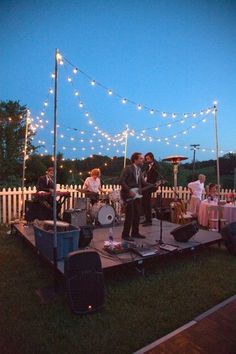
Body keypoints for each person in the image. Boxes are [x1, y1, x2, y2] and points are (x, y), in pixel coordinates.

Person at [119, 152, 149, 241]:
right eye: (140, 158)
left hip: (137, 194)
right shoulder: (128, 168)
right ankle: (125, 234)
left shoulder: (139, 170)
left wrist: (154, 184)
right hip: (128, 194)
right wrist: (129, 190)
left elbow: (143, 182)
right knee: (130, 215)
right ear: (135, 160)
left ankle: (135, 233)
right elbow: (121, 181)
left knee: (137, 214)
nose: (142, 160)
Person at [141, 152, 159, 226]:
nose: (147, 160)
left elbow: (155, 177)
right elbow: (146, 175)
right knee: (144, 203)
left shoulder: (156, 166)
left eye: (148, 159)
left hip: (150, 186)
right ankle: (147, 218)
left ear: (152, 158)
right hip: (146, 186)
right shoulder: (148, 166)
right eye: (146, 159)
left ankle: (149, 220)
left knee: (147, 203)